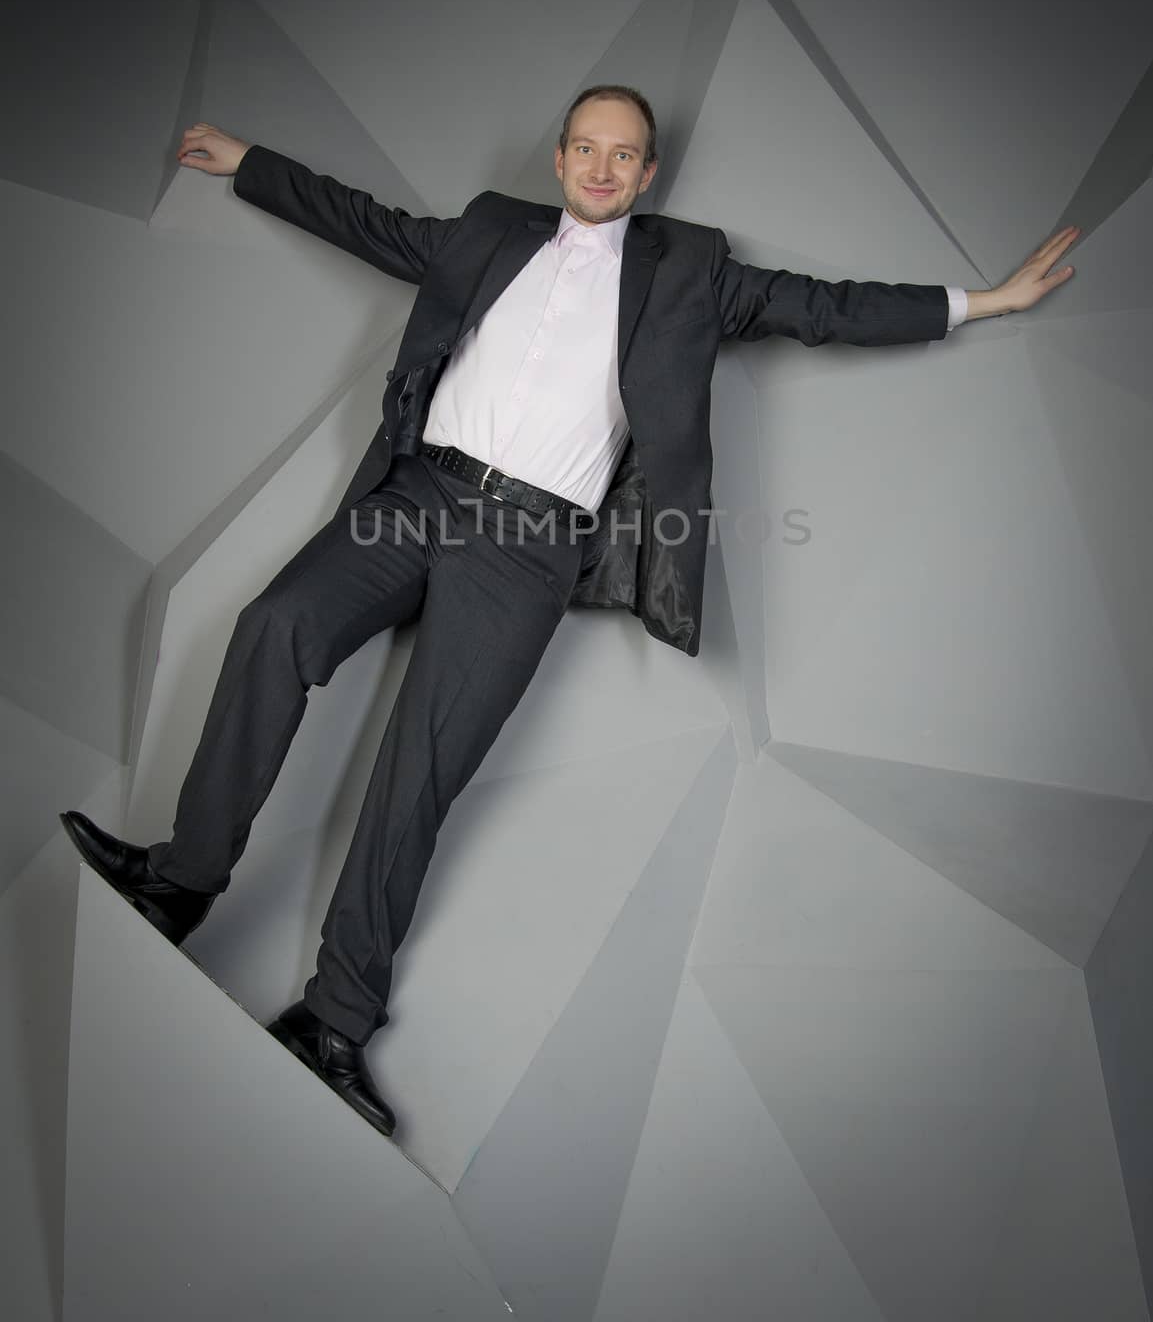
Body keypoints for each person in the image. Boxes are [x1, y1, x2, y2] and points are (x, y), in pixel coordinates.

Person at [60, 84, 1078, 1140]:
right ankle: (179, 883)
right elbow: (365, 222)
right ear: (559, 157)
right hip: (417, 499)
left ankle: (331, 1020)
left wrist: (981, 302)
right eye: (585, 147)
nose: (601, 167)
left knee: (422, 768)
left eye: (623, 154)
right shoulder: (490, 231)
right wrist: (249, 160)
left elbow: (824, 308)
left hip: (526, 547)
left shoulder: (693, 271)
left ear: (646, 174)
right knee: (275, 625)